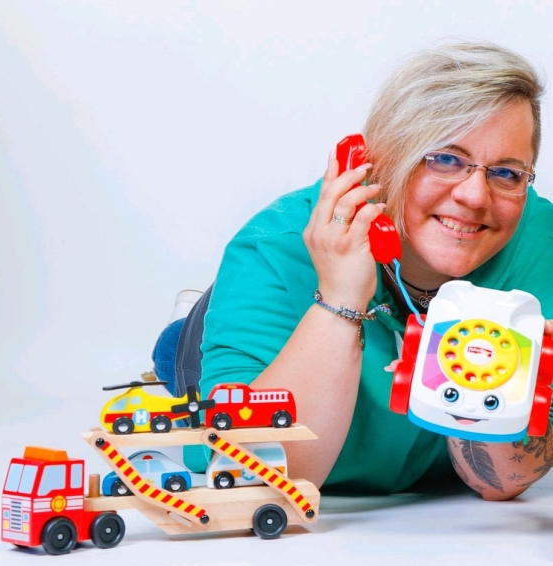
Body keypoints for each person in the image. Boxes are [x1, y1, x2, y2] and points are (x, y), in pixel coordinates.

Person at [153, 40, 553, 500]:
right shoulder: (272, 247)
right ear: (376, 161)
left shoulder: (541, 243)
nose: (475, 197)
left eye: (506, 172)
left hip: (415, 462)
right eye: (444, 159)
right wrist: (340, 296)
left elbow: (499, 483)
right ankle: (185, 325)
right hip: (265, 331)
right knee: (175, 354)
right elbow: (257, 481)